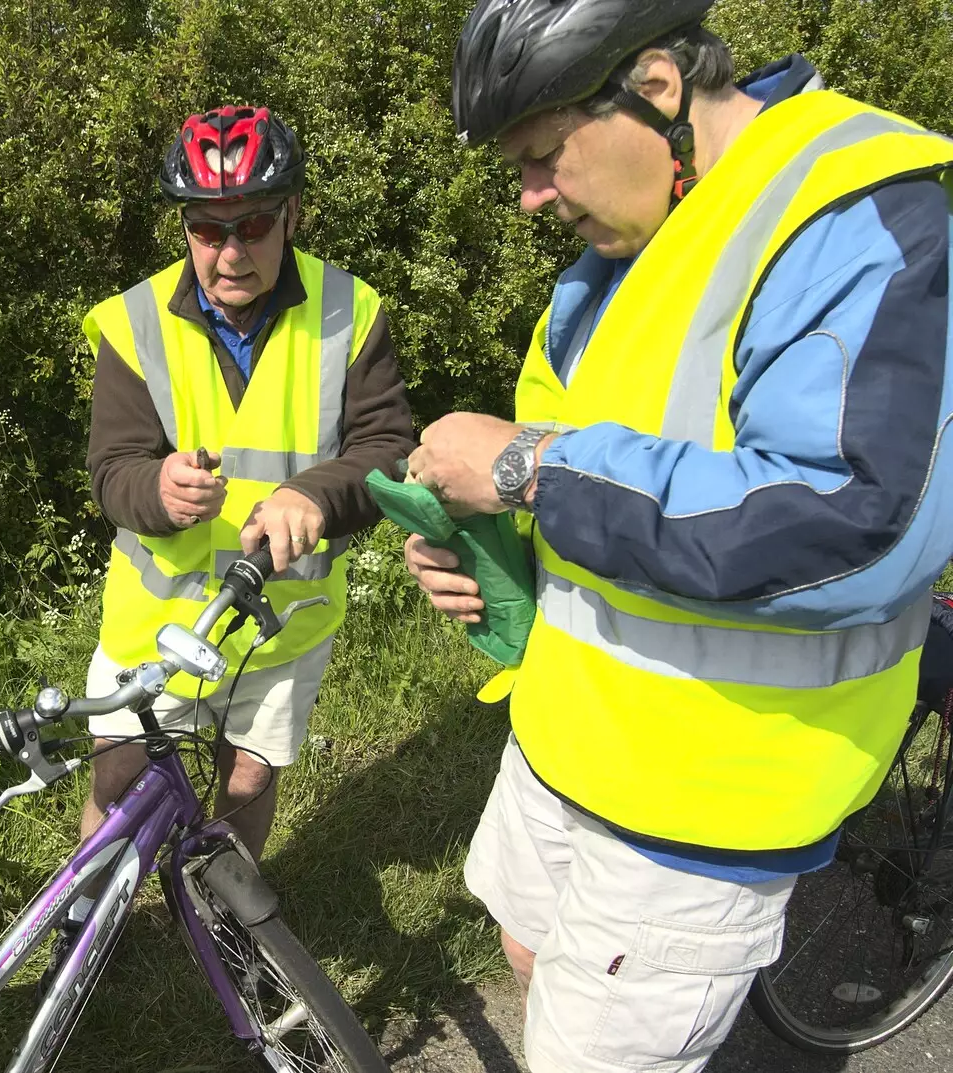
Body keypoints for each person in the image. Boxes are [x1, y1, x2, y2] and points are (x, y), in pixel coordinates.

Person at [406, 3, 953, 1070]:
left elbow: (850, 522)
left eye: (538, 156)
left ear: (654, 87)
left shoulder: (847, 219)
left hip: (706, 792)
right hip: (572, 738)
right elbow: (637, 452)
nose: (526, 199)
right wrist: (491, 548)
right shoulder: (651, 222)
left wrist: (524, 466)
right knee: (525, 949)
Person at [72, 105, 412, 909]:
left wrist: (317, 495)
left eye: (253, 224)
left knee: (251, 773)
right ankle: (83, 910)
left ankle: (223, 906)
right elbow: (110, 468)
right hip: (161, 623)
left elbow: (390, 447)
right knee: (120, 771)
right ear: (185, 227)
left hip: (283, 620)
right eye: (206, 228)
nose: (229, 252)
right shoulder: (134, 322)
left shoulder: (351, 310)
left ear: (292, 212)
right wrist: (153, 491)